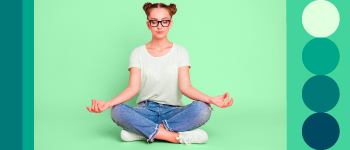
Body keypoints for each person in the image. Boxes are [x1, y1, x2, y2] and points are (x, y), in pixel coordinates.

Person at [86, 2, 234, 146]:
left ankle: (144, 132)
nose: (159, 26)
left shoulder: (180, 52)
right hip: (146, 111)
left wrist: (210, 99)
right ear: (148, 24)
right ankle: (175, 137)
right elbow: (132, 88)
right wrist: (108, 103)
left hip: (174, 112)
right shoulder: (138, 53)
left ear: (170, 24)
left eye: (164, 22)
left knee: (203, 108)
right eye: (154, 22)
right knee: (117, 110)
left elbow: (186, 87)